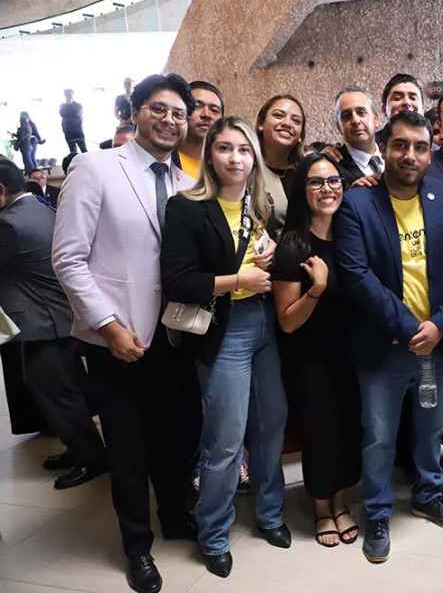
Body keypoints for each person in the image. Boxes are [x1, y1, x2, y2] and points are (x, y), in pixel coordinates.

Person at [52, 73, 200, 593]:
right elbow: (68, 258)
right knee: (128, 450)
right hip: (118, 341)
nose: (169, 120)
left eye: (179, 114)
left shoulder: (187, 182)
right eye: (158, 109)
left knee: (174, 439)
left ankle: (177, 516)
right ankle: (137, 546)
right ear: (136, 113)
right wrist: (108, 325)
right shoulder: (95, 167)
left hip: (176, 338)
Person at [334, 110, 443, 564]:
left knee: (432, 428)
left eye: (419, 146)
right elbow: (356, 275)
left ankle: (429, 495)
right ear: (384, 148)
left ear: (430, 151)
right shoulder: (358, 204)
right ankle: (377, 512)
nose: (409, 155)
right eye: (400, 145)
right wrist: (411, 328)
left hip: (439, 344)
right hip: (386, 348)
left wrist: (439, 325)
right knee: (379, 435)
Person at [161, 116, 288, 578]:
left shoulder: (260, 205)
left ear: (254, 158)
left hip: (265, 323)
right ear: (210, 155)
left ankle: (270, 514)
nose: (235, 158)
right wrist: (238, 279)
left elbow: (262, 258)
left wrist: (271, 255)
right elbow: (177, 281)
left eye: (244, 150)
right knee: (226, 439)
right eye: (225, 148)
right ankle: (213, 532)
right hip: (224, 330)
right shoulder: (187, 207)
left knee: (271, 425)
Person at [271, 153, 361, 548]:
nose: (327, 189)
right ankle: (322, 508)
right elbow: (287, 321)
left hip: (351, 353)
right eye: (316, 182)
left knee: (348, 431)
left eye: (333, 181)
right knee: (321, 433)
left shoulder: (350, 236)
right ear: (302, 191)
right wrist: (317, 289)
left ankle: (341, 502)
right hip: (310, 359)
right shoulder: (294, 246)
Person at [0, 158, 107, 490]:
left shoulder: (9, 224)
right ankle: (79, 449)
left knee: (57, 394)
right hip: (59, 316)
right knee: (67, 389)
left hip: (42, 322)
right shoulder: (40, 208)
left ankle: (91, 458)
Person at [256, 94, 305, 238]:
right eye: (278, 115)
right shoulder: (245, 169)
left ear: (301, 135)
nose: (287, 123)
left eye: (296, 121)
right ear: (261, 124)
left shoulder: (308, 172)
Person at [331, 86, 384, 186]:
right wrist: (352, 193)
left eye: (361, 113)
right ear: (339, 127)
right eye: (346, 116)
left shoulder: (395, 153)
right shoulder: (332, 169)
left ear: (376, 120)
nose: (355, 121)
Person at [176, 81, 224, 180]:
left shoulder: (223, 169)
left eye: (214, 110)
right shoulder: (160, 160)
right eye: (197, 106)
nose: (206, 114)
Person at [375, 73, 425, 147]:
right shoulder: (371, 146)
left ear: (423, 109)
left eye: (413, 98)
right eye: (397, 98)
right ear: (384, 109)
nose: (407, 102)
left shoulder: (434, 150)